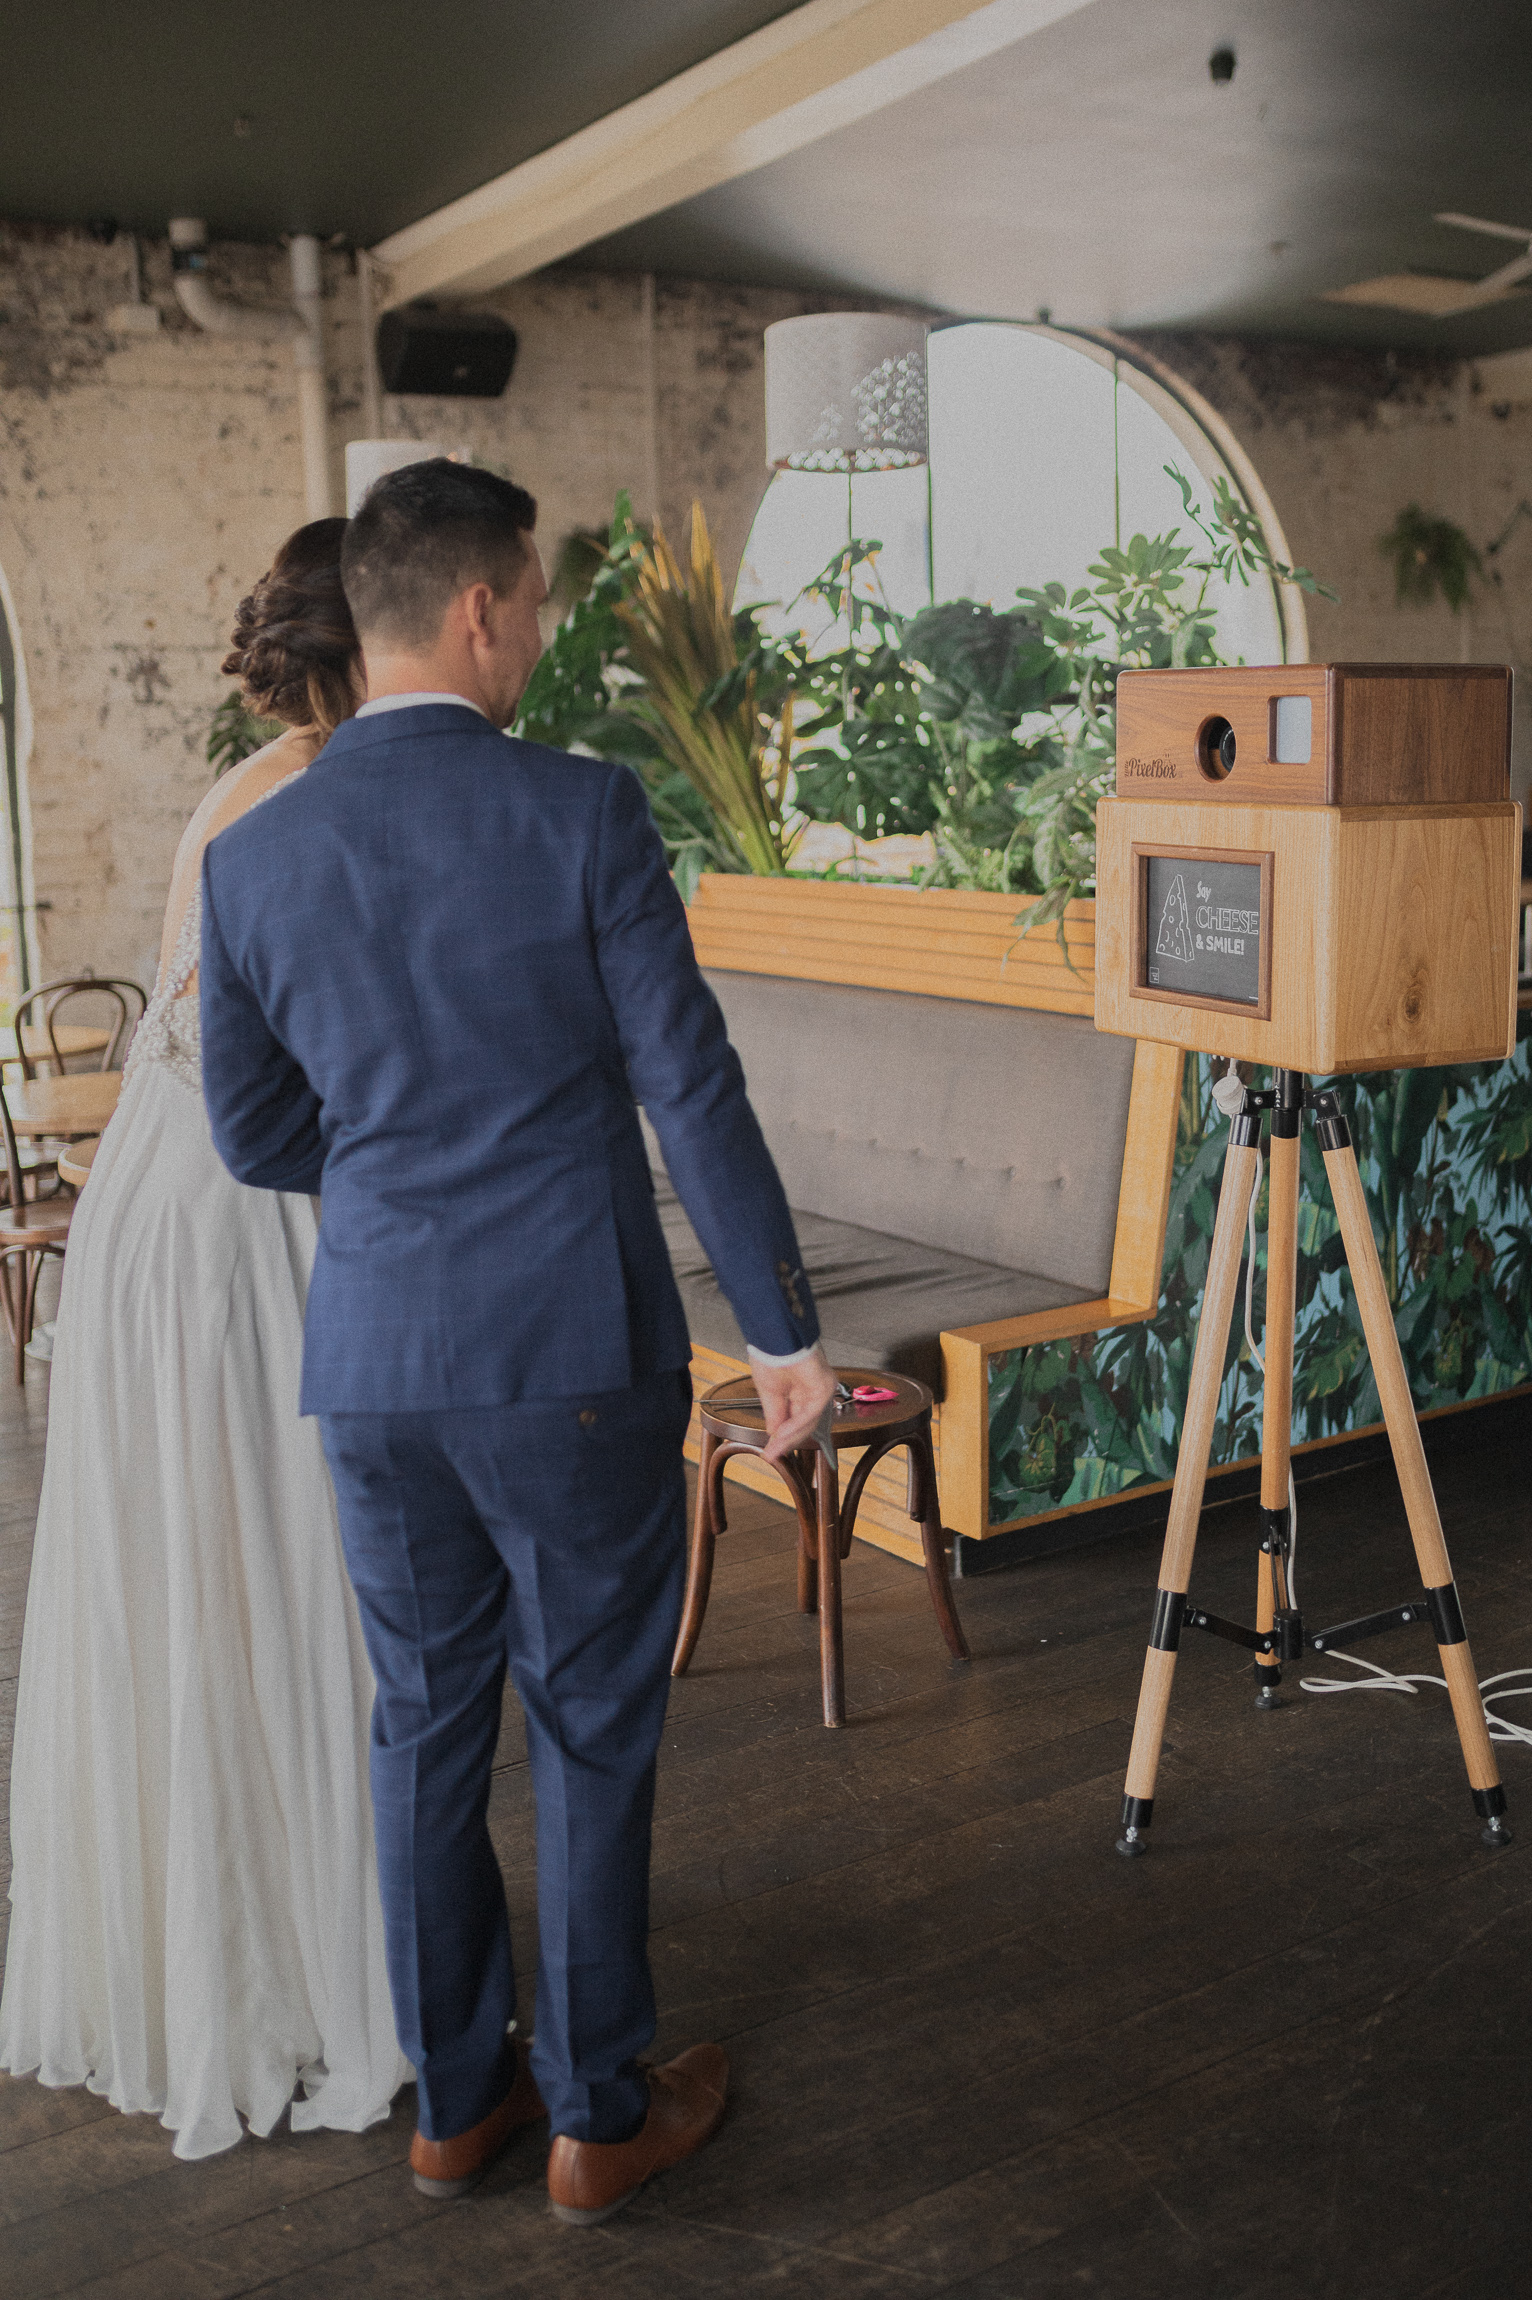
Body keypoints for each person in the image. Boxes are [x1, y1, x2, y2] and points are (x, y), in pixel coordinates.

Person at [198, 460, 836, 2223]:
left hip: (376, 1363)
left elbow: (253, 1135)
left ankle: (454, 2105)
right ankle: (596, 2115)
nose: (540, 631)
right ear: (480, 610)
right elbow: (687, 1090)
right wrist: (783, 1336)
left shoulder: (254, 861)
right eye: (537, 601)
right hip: (570, 1353)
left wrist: (404, 1176)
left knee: (421, 1727)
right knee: (588, 1728)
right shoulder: (581, 813)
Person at [0, 521, 410, 2160]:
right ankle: (305, 1979)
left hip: (158, 1207)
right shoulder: (327, 792)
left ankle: (210, 1954)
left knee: (197, 1576)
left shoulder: (260, 771)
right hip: (244, 1215)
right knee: (286, 1568)